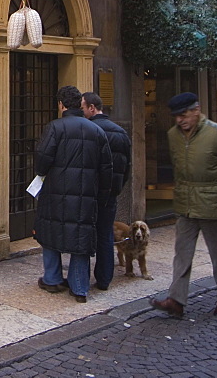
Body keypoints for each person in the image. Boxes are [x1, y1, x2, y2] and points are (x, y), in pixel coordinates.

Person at [151, 92, 217, 319]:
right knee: (182, 253)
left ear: (196, 110)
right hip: (185, 202)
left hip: (213, 202)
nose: (180, 120)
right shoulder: (173, 135)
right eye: (176, 116)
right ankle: (176, 300)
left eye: (184, 114)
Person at [34, 85, 113, 303]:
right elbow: (107, 168)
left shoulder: (55, 127)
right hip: (86, 195)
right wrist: (102, 195)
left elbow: (42, 160)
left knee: (50, 233)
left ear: (61, 105)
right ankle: (79, 287)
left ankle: (52, 279)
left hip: (56, 192)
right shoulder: (96, 131)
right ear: (80, 104)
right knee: (81, 237)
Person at [81, 92, 131, 291]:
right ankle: (104, 279)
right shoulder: (121, 132)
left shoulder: (90, 130)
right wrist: (116, 188)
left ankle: (81, 280)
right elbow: (127, 166)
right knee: (105, 234)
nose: (81, 112)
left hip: (90, 192)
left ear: (92, 108)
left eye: (83, 108)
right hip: (110, 193)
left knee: (84, 234)